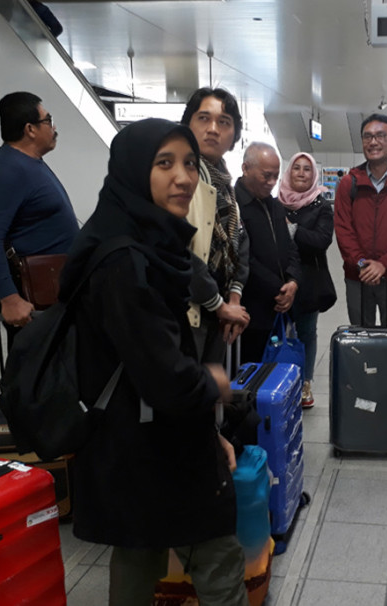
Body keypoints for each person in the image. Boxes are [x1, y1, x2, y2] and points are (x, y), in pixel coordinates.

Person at [59, 118, 248, 606]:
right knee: (215, 552)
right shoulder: (125, 261)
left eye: (188, 163)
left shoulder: (143, 241)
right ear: (132, 171)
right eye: (163, 164)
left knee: (140, 547)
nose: (183, 177)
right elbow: (166, 376)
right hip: (154, 442)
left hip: (137, 440)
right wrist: (215, 383)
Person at [0, 91, 78, 348]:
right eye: (48, 120)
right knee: (32, 370)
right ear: (30, 129)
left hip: (51, 284)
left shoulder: (31, 163)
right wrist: (9, 298)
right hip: (30, 289)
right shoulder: (7, 168)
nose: (54, 128)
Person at [181, 87, 250, 363]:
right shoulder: (178, 176)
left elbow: (241, 241)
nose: (213, 129)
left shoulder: (224, 184)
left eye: (224, 122)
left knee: (209, 397)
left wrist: (233, 297)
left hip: (218, 309)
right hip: (186, 311)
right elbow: (175, 248)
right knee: (183, 398)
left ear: (234, 135)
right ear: (187, 125)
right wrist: (218, 304)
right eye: (203, 118)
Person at [334, 113, 387, 327]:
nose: (373, 142)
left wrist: (383, 265)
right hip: (358, 276)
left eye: (380, 136)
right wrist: (362, 264)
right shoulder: (348, 183)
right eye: (367, 136)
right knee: (361, 334)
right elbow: (343, 231)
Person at [278, 153, 337, 408]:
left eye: (307, 170)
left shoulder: (321, 206)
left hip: (309, 283)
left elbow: (321, 242)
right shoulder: (275, 203)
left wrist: (291, 230)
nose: (301, 173)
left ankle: (305, 383)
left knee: (306, 334)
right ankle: (280, 381)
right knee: (278, 334)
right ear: (288, 172)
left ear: (314, 176)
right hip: (278, 280)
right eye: (296, 169)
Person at [235, 142, 301, 365]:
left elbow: (290, 247)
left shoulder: (275, 206)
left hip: (279, 308)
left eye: (276, 176)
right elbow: (243, 258)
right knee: (249, 374)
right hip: (250, 310)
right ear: (245, 169)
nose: (272, 182)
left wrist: (293, 281)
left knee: (276, 372)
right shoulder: (234, 205)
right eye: (266, 176)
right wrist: (278, 289)